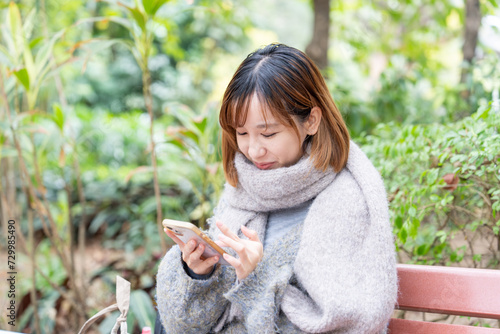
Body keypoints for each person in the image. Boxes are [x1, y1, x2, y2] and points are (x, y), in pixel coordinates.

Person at [156, 43, 398, 333]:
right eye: (242, 133)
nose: (253, 150)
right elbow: (189, 325)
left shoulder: (345, 201)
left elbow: (347, 326)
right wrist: (199, 274)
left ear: (311, 120)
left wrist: (257, 279)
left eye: (268, 133)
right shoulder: (243, 191)